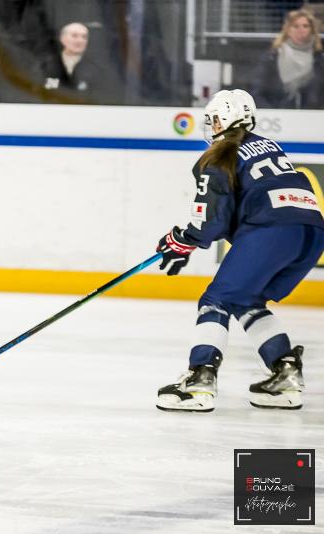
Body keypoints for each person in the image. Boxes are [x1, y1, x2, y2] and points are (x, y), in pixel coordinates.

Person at [155, 89, 324, 412]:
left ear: (221, 120)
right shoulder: (268, 145)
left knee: (215, 301)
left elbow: (212, 221)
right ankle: (284, 373)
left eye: (213, 120)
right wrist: (190, 239)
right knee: (246, 300)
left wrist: (183, 238)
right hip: (312, 233)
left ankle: (200, 380)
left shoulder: (219, 156)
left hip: (272, 231)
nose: (211, 126)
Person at [251, 9, 324, 109]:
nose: (301, 30)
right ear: (288, 30)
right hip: (278, 118)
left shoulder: (319, 60)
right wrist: (273, 113)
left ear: (312, 30)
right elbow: (257, 92)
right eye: (295, 26)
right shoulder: (272, 57)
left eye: (306, 26)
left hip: (313, 118)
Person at [41, 22, 111, 103]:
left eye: (84, 37)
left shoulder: (97, 70)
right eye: (74, 36)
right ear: (62, 38)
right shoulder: (45, 65)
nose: (80, 40)